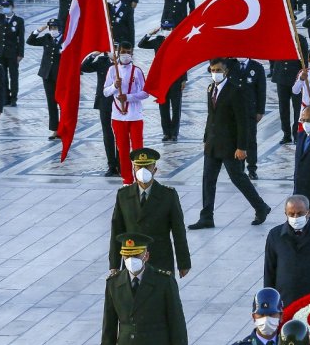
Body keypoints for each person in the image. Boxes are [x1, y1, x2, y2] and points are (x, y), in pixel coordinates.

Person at [189, 59, 272, 230]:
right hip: (212, 143)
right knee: (208, 180)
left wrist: (242, 147)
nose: (215, 73)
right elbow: (211, 116)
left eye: (218, 69)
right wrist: (206, 138)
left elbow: (243, 122)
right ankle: (206, 216)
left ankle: (260, 206)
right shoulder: (210, 88)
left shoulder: (235, 91)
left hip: (230, 144)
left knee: (238, 178)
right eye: (212, 69)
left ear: (226, 71)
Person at [109, 149, 191, 277]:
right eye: (139, 167)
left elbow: (178, 230)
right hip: (133, 259)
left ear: (155, 169)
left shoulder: (167, 195)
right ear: (134, 169)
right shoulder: (123, 195)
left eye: (147, 166)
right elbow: (117, 230)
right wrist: (114, 264)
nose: (143, 170)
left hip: (160, 260)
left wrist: (183, 263)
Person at [102, 42, 147, 185]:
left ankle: (140, 177)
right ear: (118, 52)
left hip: (135, 116)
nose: (125, 55)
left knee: (138, 148)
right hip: (118, 116)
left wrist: (129, 97)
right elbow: (105, 92)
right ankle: (127, 179)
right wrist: (114, 86)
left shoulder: (137, 71)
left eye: (128, 52)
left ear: (132, 53)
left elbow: (145, 92)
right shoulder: (112, 70)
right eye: (123, 52)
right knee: (122, 149)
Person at [139, 22, 186, 144]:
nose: (167, 30)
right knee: (163, 106)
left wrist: (184, 79)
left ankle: (174, 133)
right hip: (162, 78)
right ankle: (166, 132)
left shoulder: (178, 40)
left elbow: (183, 60)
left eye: (169, 28)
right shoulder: (158, 41)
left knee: (176, 108)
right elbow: (141, 44)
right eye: (164, 28)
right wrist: (150, 34)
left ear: (173, 28)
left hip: (175, 78)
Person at [82, 50, 119, 177]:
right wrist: (94, 55)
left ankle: (120, 164)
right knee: (107, 134)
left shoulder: (123, 63)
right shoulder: (102, 61)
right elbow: (84, 67)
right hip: (104, 101)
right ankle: (111, 165)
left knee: (120, 134)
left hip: (120, 102)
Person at [26, 19, 61, 141]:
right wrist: (39, 30)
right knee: (51, 102)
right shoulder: (46, 38)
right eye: (51, 28)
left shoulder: (65, 39)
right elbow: (30, 41)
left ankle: (64, 128)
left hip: (60, 76)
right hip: (47, 75)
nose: (53, 30)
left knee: (62, 103)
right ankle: (54, 129)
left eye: (55, 28)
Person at [272, 33, 309, 144]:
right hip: (281, 77)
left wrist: (304, 75)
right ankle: (286, 134)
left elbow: (304, 59)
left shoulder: (300, 39)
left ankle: (296, 133)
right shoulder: (278, 37)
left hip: (295, 77)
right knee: (283, 108)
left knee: (298, 107)